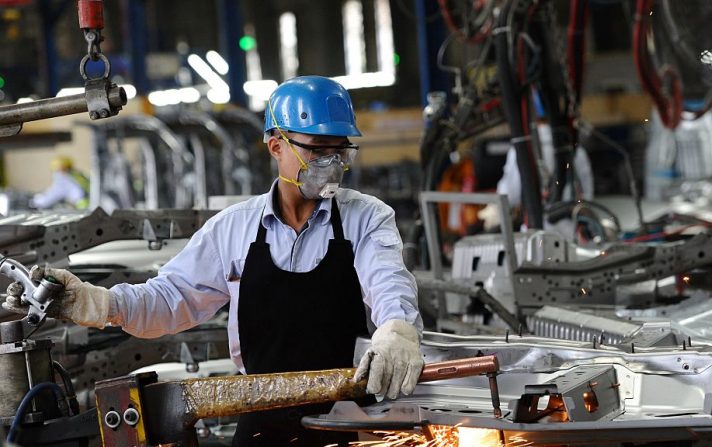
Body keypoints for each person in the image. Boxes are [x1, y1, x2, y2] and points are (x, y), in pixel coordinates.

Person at [3, 76, 424, 446]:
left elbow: (388, 280)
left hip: (350, 424)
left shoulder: (366, 217)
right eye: (317, 151)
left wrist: (397, 328)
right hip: (262, 423)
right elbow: (168, 301)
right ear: (276, 146)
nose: (332, 164)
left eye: (341, 151)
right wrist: (95, 303)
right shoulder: (233, 230)